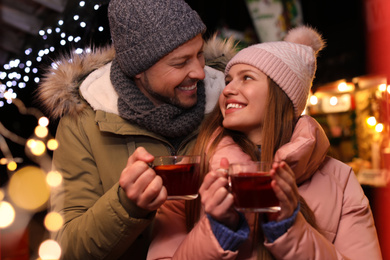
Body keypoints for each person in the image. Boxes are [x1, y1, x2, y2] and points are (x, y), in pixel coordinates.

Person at [147, 26, 382, 259]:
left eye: (247, 78)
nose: (228, 89)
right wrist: (218, 229)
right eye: (228, 80)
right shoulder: (191, 171)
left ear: (282, 96)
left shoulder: (340, 180)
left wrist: (289, 228)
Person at [36, 0, 238, 259]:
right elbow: (66, 248)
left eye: (199, 53)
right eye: (180, 63)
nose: (199, 72)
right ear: (138, 70)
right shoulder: (83, 122)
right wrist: (125, 206)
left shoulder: (231, 103)